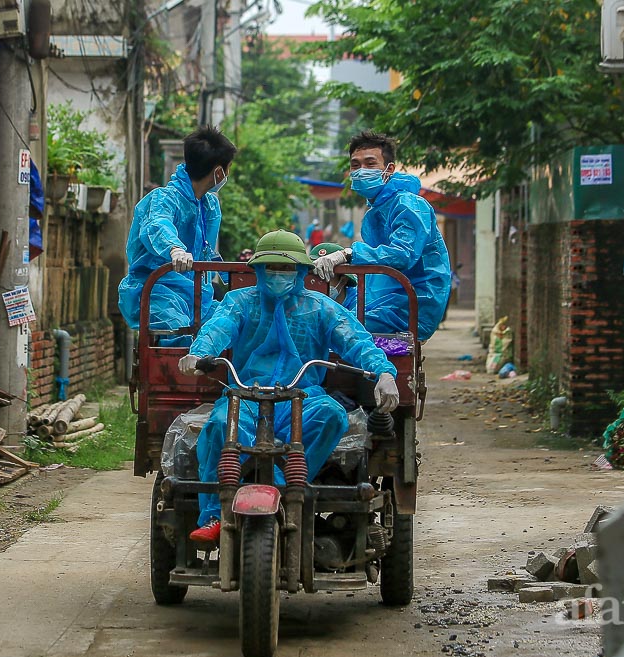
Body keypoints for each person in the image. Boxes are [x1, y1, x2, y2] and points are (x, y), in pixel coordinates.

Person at [179, 230, 400, 543]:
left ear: (300, 271)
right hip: (245, 395)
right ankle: (216, 512)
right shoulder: (239, 302)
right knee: (218, 426)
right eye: (271, 267)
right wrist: (200, 353)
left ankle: (285, 489)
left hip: (303, 396)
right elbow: (219, 327)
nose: (278, 274)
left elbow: (354, 339)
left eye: (286, 268)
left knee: (331, 415)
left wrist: (383, 372)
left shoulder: (321, 307)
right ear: (257, 269)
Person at [313, 131, 451, 341]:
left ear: (389, 169)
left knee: (337, 328)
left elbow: (402, 254)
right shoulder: (379, 208)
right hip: (387, 296)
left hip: (412, 302)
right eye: (355, 165)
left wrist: (348, 254)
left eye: (370, 163)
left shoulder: (408, 204)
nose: (361, 171)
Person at [117, 126, 237, 339]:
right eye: (228, 168)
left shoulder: (208, 205)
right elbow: (157, 224)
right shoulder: (164, 199)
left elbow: (206, 250)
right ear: (219, 172)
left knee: (231, 326)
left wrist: (235, 276)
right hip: (160, 294)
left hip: (197, 295)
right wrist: (175, 249)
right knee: (177, 338)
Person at [309, 242, 357, 310]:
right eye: (313, 275)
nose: (317, 282)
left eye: (324, 275)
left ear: (343, 280)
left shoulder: (360, 304)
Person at [441, 262, 463, 327]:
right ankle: (441, 321)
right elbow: (457, 282)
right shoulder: (450, 273)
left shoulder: (441, 274)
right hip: (446, 293)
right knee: (444, 307)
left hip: (441, 293)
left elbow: (457, 282)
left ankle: (440, 322)